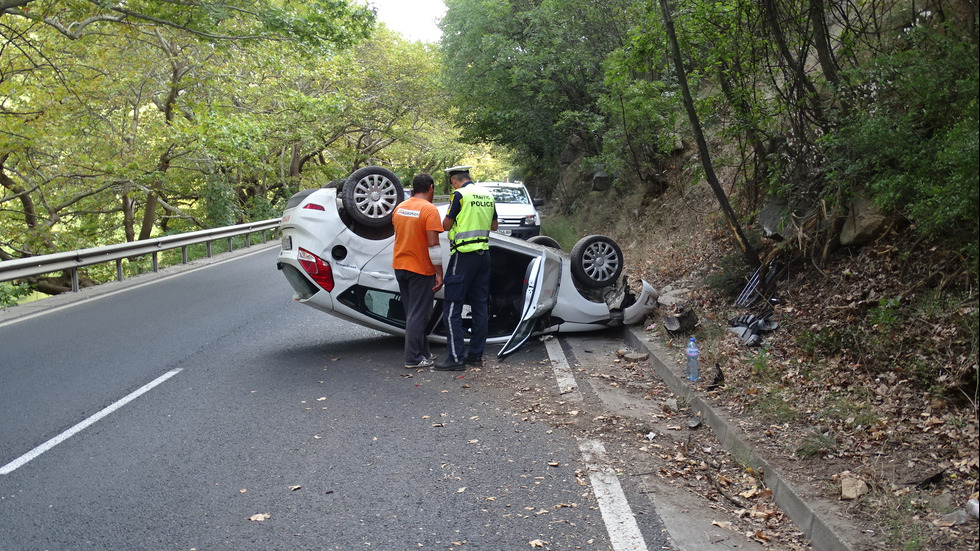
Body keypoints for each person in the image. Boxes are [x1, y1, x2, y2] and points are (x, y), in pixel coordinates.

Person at [434, 166, 498, 371]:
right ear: (469, 177)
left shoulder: (459, 195)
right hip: (484, 255)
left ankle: (455, 357)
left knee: (453, 305)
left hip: (463, 256)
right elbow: (494, 226)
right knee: (480, 306)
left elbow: (445, 225)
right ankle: (475, 356)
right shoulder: (488, 195)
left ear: (453, 180)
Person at [392, 173, 444, 369]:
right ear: (430, 187)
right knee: (419, 314)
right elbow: (434, 246)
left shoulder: (400, 207)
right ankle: (413, 358)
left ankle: (424, 353)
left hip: (400, 266)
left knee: (412, 312)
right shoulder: (429, 210)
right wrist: (439, 272)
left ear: (413, 189)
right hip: (420, 269)